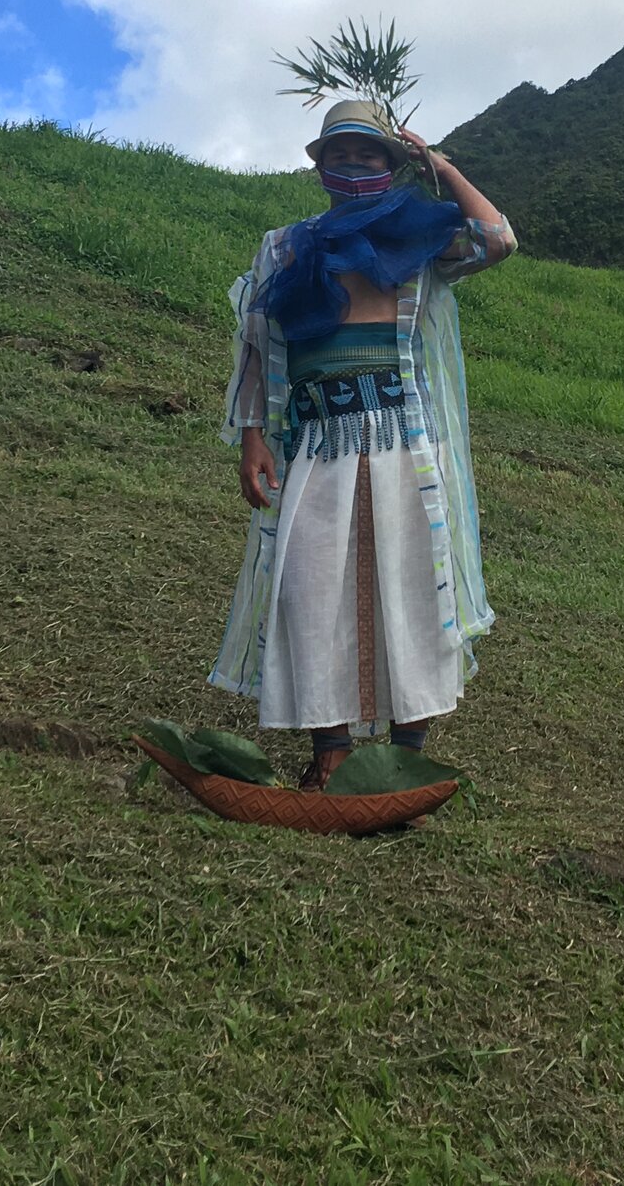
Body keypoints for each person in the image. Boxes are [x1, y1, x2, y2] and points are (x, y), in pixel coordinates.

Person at [213, 100, 517, 790]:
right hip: (316, 441)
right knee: (309, 588)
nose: (352, 167)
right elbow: (258, 345)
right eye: (339, 156)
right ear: (319, 167)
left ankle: (406, 753)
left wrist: (438, 165)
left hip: (402, 442)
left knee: (411, 587)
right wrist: (252, 439)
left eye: (368, 155)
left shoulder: (422, 241)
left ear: (392, 164)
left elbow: (497, 238)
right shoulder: (286, 247)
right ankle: (332, 750)